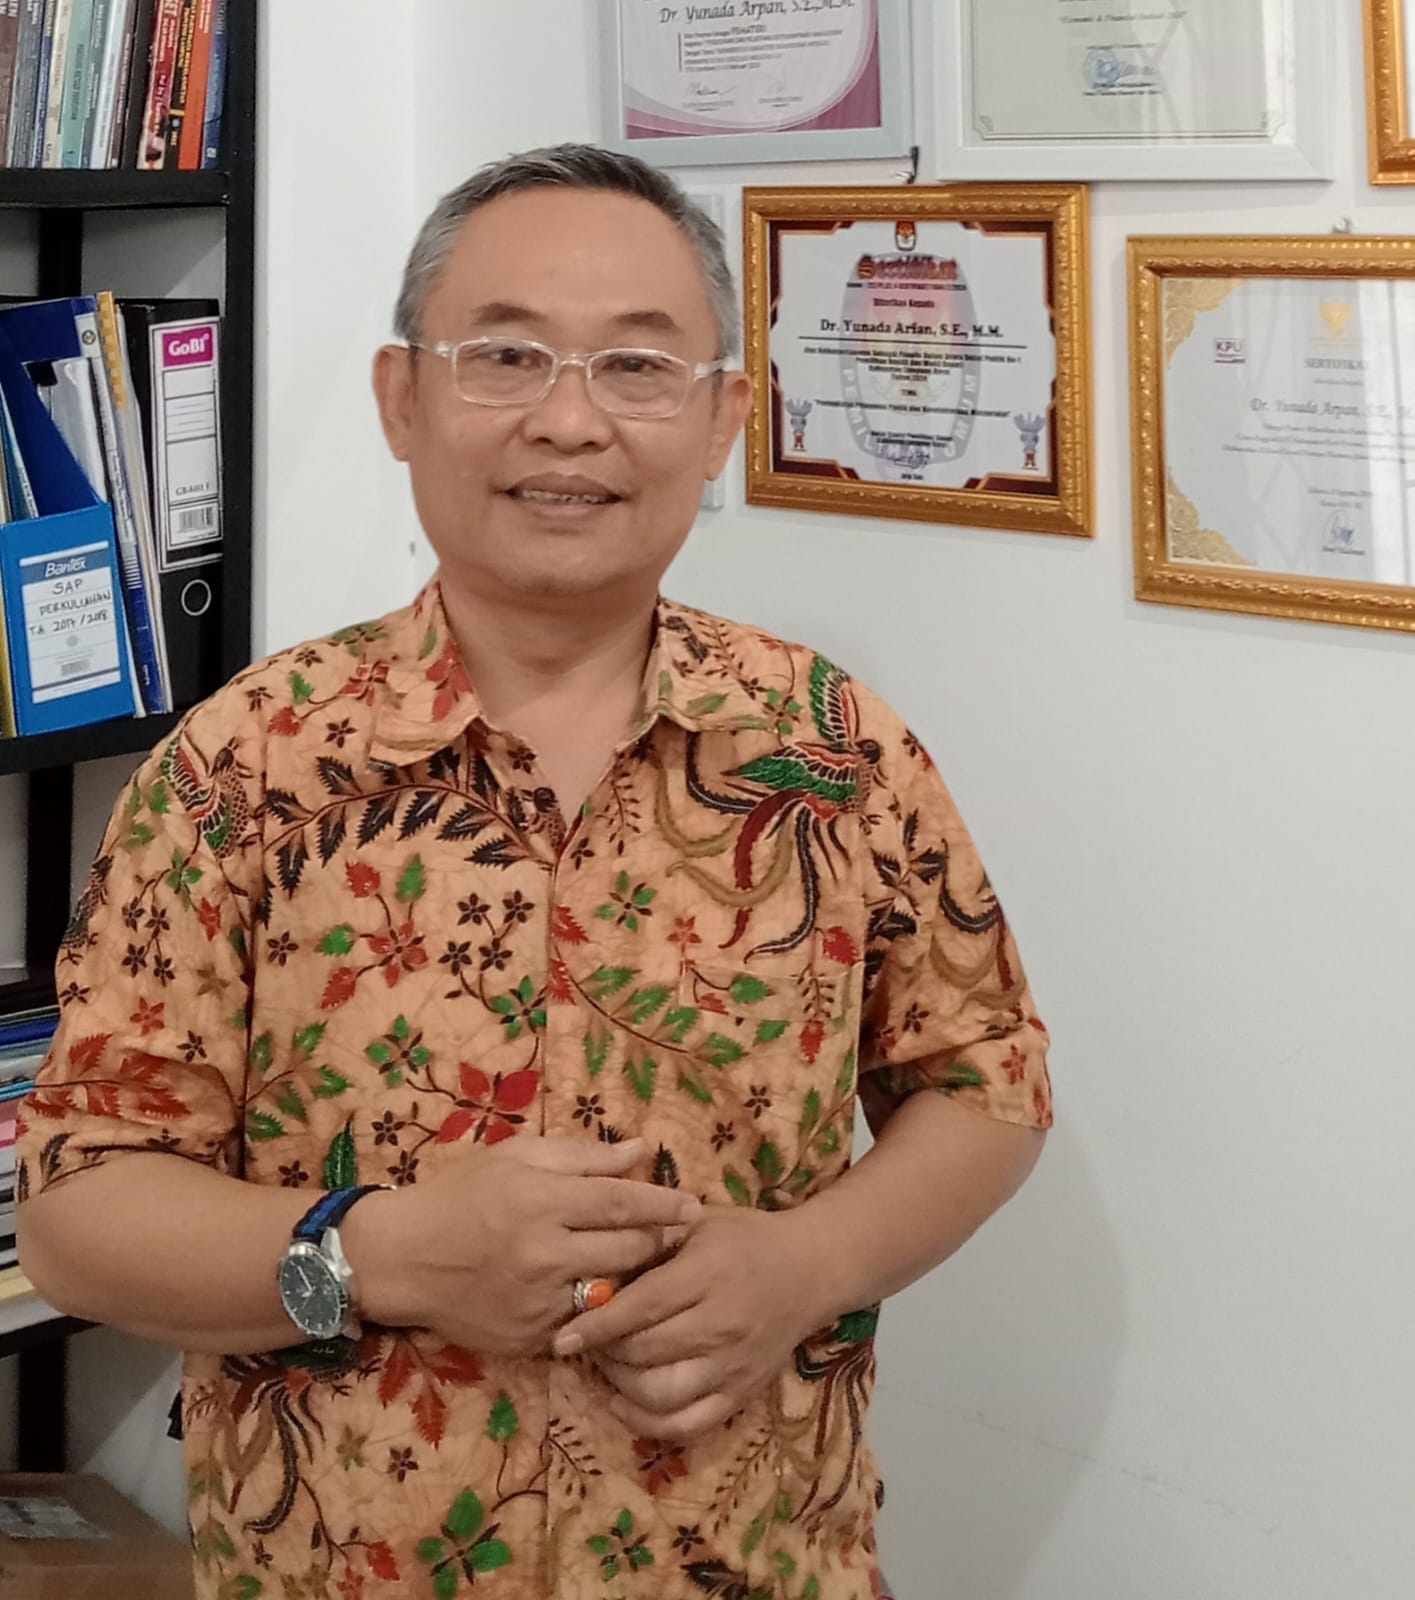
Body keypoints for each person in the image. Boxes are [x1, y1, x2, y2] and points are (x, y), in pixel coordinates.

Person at [17, 144, 1052, 1600]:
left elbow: (988, 1082)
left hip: (754, 1560)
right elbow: (76, 1213)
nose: (570, 421)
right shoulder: (243, 769)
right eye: (504, 355)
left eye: (638, 367)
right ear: (402, 399)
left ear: (722, 422)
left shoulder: (832, 752)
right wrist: (376, 1256)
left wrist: (809, 1266)